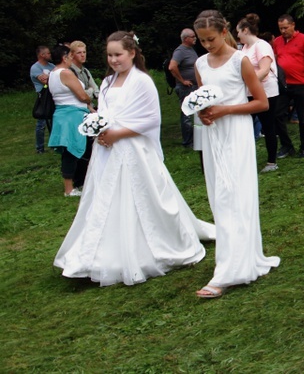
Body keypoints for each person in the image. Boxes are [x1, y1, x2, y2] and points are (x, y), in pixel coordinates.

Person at [54, 31, 215, 285]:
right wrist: (100, 132)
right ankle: (96, 252)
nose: (114, 60)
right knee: (105, 198)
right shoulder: (106, 82)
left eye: (118, 54)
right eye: (109, 55)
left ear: (131, 53)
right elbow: (104, 113)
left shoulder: (142, 81)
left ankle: (144, 248)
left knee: (137, 196)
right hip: (107, 149)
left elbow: (151, 119)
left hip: (133, 148)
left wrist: (117, 134)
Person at [193, 10, 280, 298]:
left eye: (211, 39)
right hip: (214, 134)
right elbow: (204, 98)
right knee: (220, 197)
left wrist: (226, 110)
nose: (207, 45)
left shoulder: (239, 60)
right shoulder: (200, 63)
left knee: (235, 196)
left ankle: (228, 272)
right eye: (202, 40)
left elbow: (262, 103)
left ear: (224, 31)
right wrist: (204, 115)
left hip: (237, 132)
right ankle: (240, 256)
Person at [47, 45, 93, 197]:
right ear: (64, 57)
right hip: (72, 115)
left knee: (76, 149)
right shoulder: (66, 73)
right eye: (70, 55)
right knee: (71, 150)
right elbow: (82, 96)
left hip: (64, 114)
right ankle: (69, 188)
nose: (72, 58)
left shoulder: (53, 73)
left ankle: (82, 181)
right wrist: (88, 97)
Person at [237, 13, 280, 173]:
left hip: (266, 93)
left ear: (246, 30)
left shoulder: (262, 46)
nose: (237, 35)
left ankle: (271, 162)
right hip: (248, 93)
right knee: (245, 127)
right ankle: (245, 161)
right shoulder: (245, 48)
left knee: (268, 127)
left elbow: (264, 70)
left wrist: (248, 82)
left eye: (239, 31)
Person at [273, 14, 304, 159]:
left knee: (303, 118)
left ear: (293, 25)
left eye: (285, 27)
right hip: (284, 85)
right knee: (278, 115)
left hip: (301, 84)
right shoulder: (277, 42)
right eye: (280, 28)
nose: (283, 31)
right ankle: (287, 145)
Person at [69, 40, 99, 190]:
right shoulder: (71, 72)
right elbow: (81, 95)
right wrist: (89, 93)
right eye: (79, 53)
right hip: (80, 111)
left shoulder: (85, 71)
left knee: (93, 144)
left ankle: (91, 175)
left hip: (91, 110)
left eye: (84, 52)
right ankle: (79, 180)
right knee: (83, 146)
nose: (82, 55)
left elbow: (95, 90)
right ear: (72, 55)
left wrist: (92, 94)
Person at [168, 29, 198, 147]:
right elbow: (172, 67)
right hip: (186, 88)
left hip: (194, 86)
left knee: (194, 113)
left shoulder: (190, 49)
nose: (195, 38)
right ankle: (188, 142)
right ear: (186, 39)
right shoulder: (180, 51)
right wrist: (182, 80)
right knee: (187, 114)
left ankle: (195, 139)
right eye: (193, 36)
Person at [30, 45, 55, 153]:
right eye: (48, 53)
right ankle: (39, 148)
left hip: (53, 95)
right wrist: (52, 78)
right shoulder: (35, 68)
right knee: (42, 122)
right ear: (42, 55)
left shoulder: (52, 66)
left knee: (53, 120)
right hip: (43, 97)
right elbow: (45, 81)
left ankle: (54, 144)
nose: (50, 55)